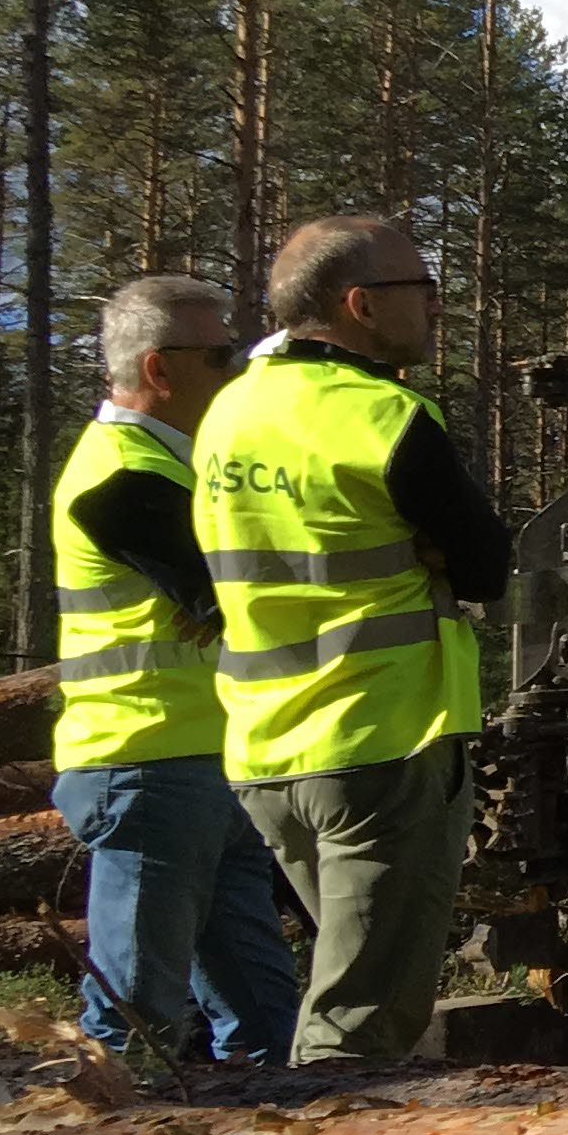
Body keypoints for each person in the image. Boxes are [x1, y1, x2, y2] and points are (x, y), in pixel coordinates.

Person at [192, 214, 512, 1065]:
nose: (437, 306)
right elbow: (486, 566)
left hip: (265, 754)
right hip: (382, 745)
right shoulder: (384, 417)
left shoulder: (228, 414)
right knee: (356, 1027)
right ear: (361, 305)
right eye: (422, 287)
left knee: (341, 983)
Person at [44, 274, 300, 1064]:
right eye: (221, 356)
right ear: (160, 370)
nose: (235, 374)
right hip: (145, 763)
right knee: (134, 1014)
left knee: (263, 1018)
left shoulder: (174, 470)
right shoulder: (120, 477)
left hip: (202, 761)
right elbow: (231, 596)